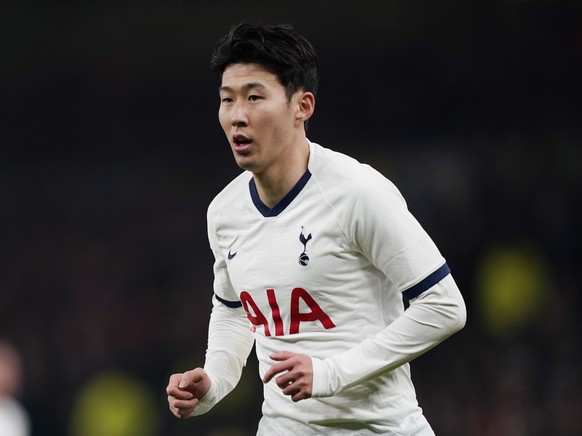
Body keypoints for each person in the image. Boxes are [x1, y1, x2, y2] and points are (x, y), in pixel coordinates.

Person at [166, 21, 466, 435]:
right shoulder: (225, 212)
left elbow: (444, 307)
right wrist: (213, 381)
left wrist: (330, 373)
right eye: (227, 99)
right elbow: (235, 311)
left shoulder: (357, 193)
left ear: (301, 107)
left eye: (254, 97)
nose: (237, 116)